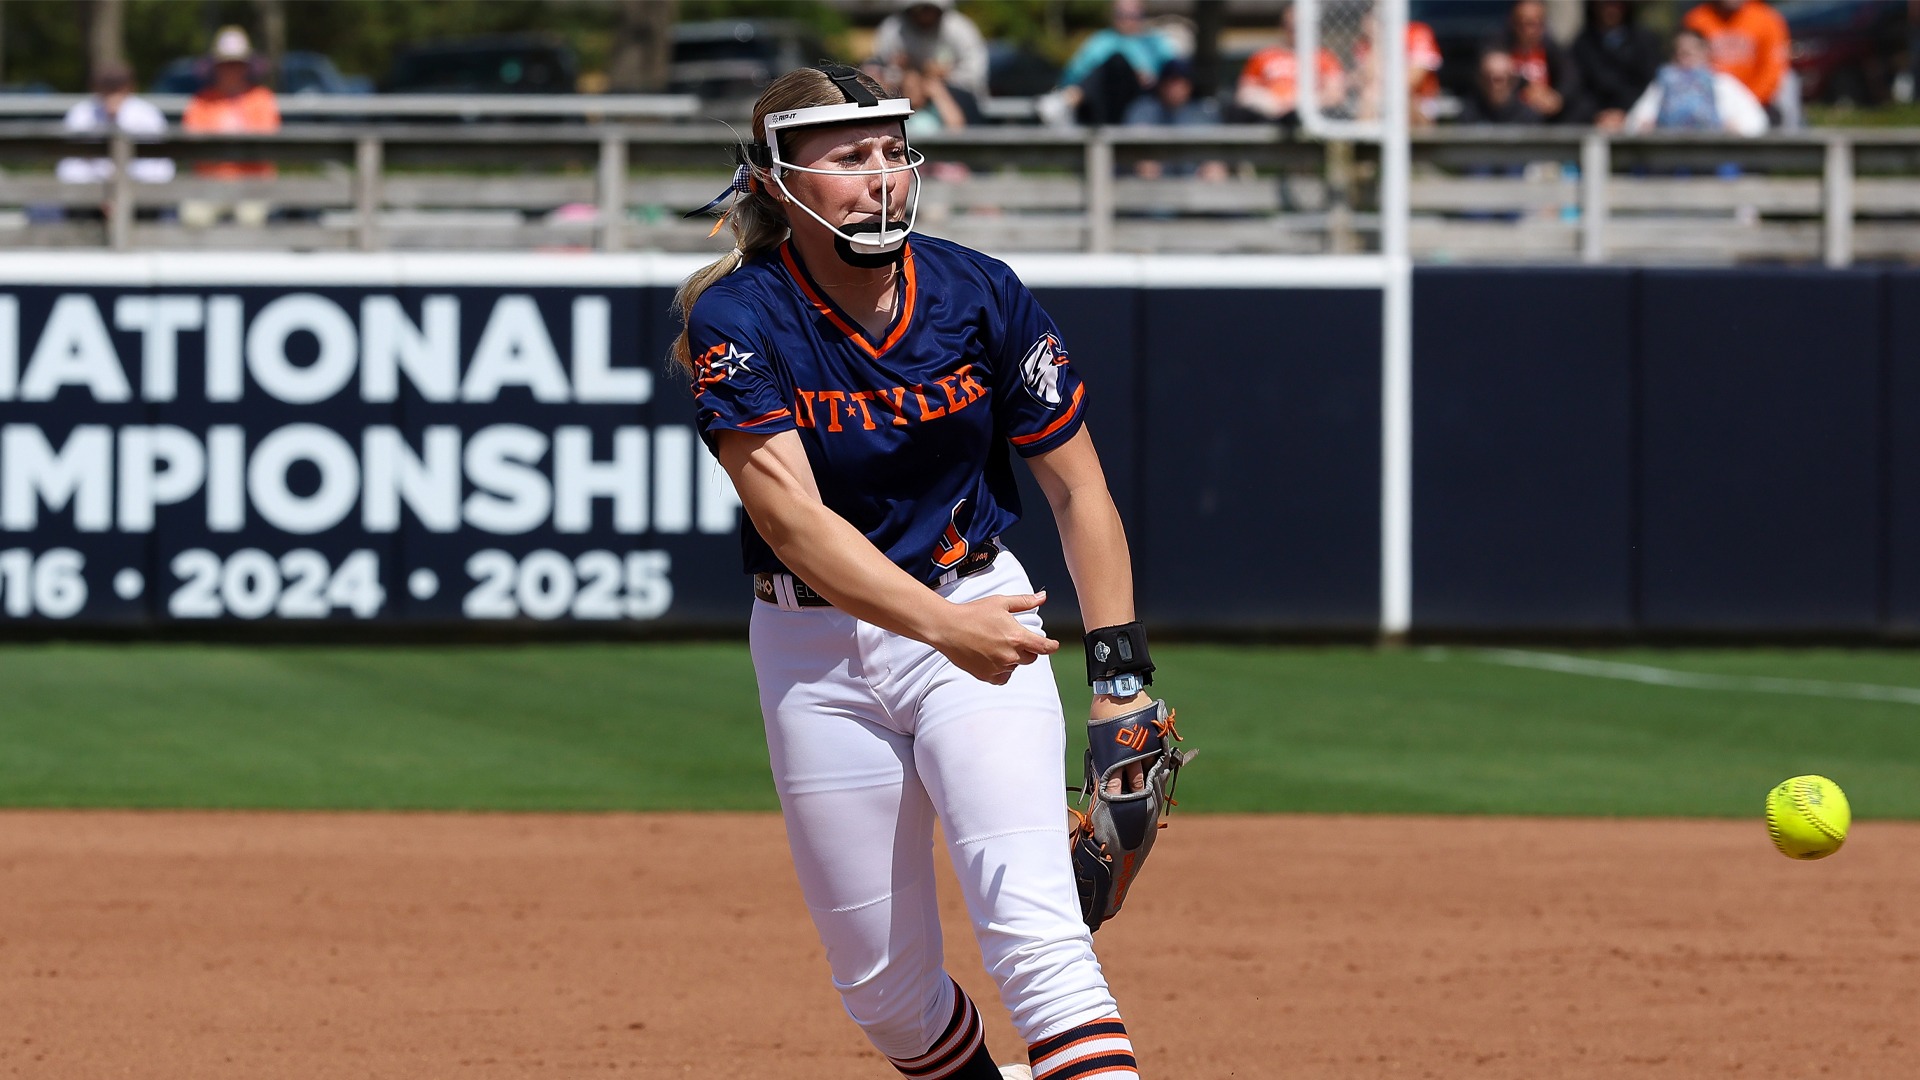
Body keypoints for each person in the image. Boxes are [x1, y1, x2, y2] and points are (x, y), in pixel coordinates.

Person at [674, 64, 1182, 1080]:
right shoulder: (737, 320)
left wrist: (1121, 681)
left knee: (1039, 943)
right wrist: (945, 631)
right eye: (848, 158)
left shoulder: (976, 291)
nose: (882, 178)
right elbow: (794, 525)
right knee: (886, 995)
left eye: (892, 153)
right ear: (780, 182)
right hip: (821, 648)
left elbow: (1081, 493)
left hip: (975, 603)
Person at [180, 25, 281, 228]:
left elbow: (269, 142)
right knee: (192, 217)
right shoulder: (201, 101)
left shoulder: (262, 99)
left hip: (253, 186)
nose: (231, 70)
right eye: (226, 64)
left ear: (247, 67)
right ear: (216, 67)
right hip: (209, 187)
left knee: (251, 219)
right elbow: (190, 141)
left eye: (237, 64)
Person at [1043, 0, 1181, 126]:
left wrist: (1149, 78)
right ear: (1113, 16)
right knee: (1114, 63)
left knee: (1118, 61)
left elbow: (1176, 71)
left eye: (1134, 15)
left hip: (1144, 99)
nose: (1128, 20)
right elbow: (1074, 74)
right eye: (1122, 15)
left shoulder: (1155, 42)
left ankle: (1065, 102)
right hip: (1105, 102)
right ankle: (1066, 102)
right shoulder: (1100, 41)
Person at [1624, 28, 1768, 135]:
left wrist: (1736, 129)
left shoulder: (1722, 83)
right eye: (1678, 53)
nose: (1683, 58)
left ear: (1705, 52)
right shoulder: (1661, 84)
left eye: (1689, 53)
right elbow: (1635, 122)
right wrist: (1644, 126)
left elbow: (1756, 122)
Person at [57, 63, 175, 188]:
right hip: (87, 193)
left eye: (117, 89)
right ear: (97, 89)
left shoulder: (147, 115)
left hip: (143, 192)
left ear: (129, 89)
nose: (112, 96)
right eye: (107, 89)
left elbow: (161, 167)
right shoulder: (81, 114)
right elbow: (68, 168)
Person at [1235, 1, 1346, 124]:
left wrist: (1298, 102)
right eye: (1290, 26)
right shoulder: (1263, 56)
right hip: (1269, 114)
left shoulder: (1324, 57)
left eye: (1298, 27)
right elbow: (1244, 92)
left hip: (1306, 115)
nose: (1293, 30)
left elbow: (1335, 94)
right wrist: (1270, 102)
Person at [1683, 0, 1791, 122]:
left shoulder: (1766, 19)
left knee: (1789, 83)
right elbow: (1687, 67)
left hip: (1756, 104)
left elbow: (1772, 72)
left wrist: (1744, 105)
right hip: (1707, 105)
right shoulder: (1697, 19)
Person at [1125, 59, 1228, 181]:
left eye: (1180, 82)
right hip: (1155, 185)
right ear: (1161, 84)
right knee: (1146, 165)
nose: (1174, 87)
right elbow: (1132, 146)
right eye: (1169, 81)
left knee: (1215, 169)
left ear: (1189, 85)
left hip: (1194, 182)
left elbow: (1216, 152)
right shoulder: (1143, 109)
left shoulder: (1204, 111)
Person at [1486, 0, 1587, 123]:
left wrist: (1558, 97)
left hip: (1548, 114)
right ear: (1512, 23)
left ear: (1544, 25)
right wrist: (1528, 89)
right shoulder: (1500, 47)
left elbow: (1571, 77)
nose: (1528, 30)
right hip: (1512, 114)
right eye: (1522, 23)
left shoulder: (1552, 49)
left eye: (1534, 24)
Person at [871, 0, 990, 102]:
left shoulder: (960, 29)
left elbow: (975, 76)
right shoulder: (893, 30)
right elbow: (880, 74)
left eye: (928, 9)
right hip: (907, 99)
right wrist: (900, 72)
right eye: (918, 9)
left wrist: (946, 75)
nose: (924, 14)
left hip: (957, 100)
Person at [1572, 0, 1664, 131]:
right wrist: (1597, 114)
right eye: (1605, 4)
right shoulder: (1581, 45)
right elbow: (1578, 86)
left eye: (1616, 4)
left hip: (1637, 119)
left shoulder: (1645, 41)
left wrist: (1624, 112)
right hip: (1595, 122)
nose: (1611, 9)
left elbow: (1650, 83)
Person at [1457, 49, 1544, 125]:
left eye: (1498, 79)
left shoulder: (1528, 118)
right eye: (1487, 78)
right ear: (1480, 81)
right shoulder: (1468, 114)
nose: (1493, 85)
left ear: (1512, 81)